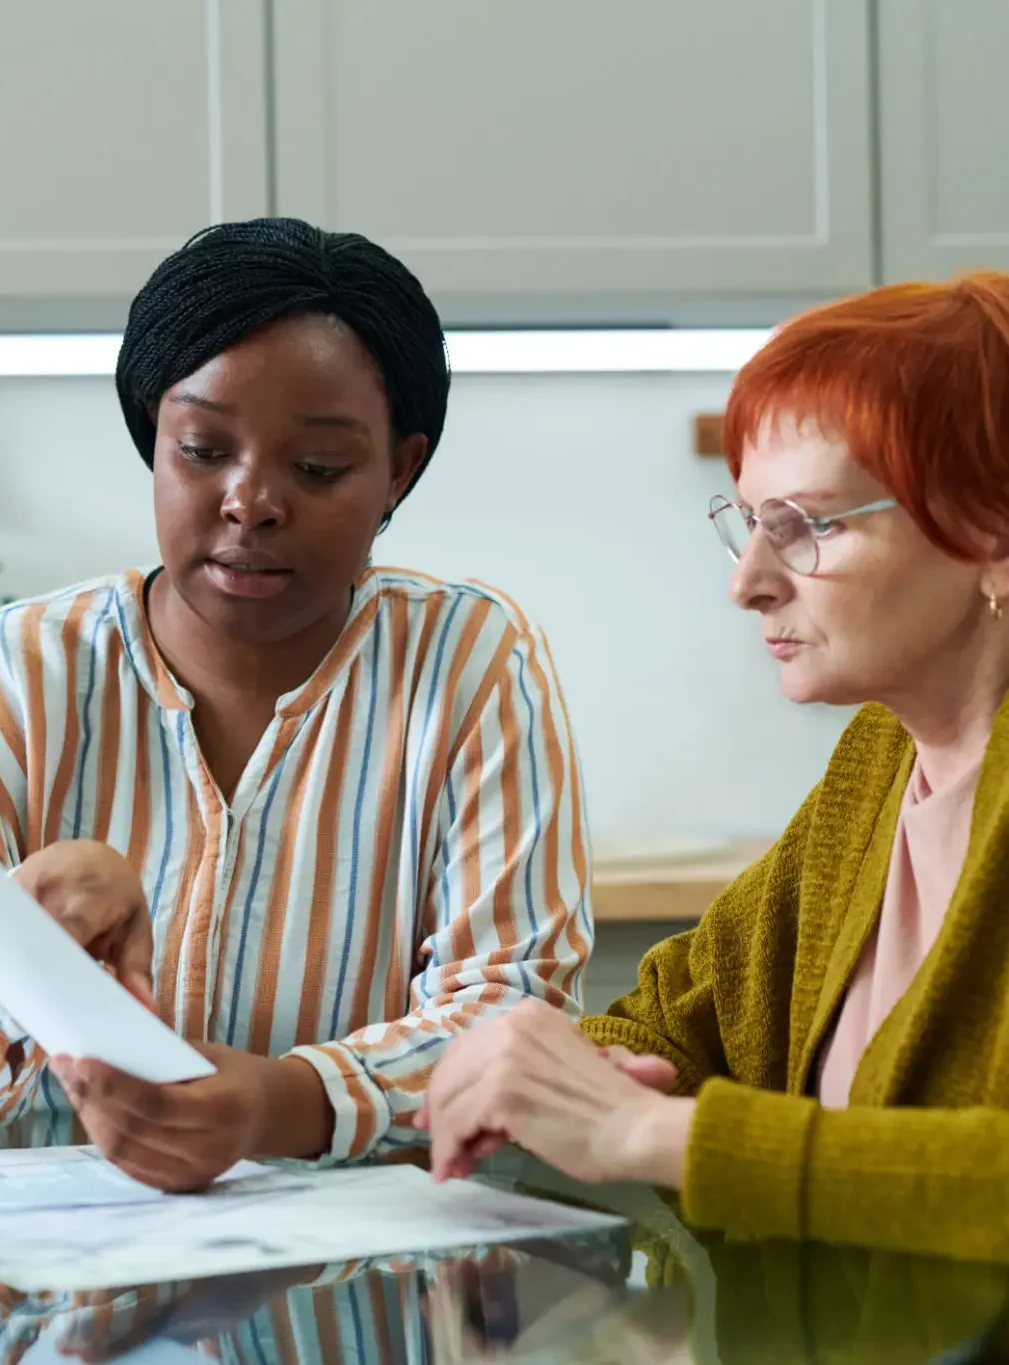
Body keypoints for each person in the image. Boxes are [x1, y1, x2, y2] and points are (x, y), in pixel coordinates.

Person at [0, 218, 592, 1187]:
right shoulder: (13, 674)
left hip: (354, 1294)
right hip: (47, 1307)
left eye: (318, 469)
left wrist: (282, 1103)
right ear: (154, 440)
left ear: (399, 470)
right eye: (202, 449)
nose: (251, 501)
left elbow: (511, 1022)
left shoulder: (467, 663)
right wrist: (26, 934)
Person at [424, 272, 1009, 1263]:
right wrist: (549, 1072)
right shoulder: (881, 761)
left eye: (808, 526)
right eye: (749, 522)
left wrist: (649, 1134)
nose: (748, 582)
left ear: (991, 528)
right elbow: (676, 1021)